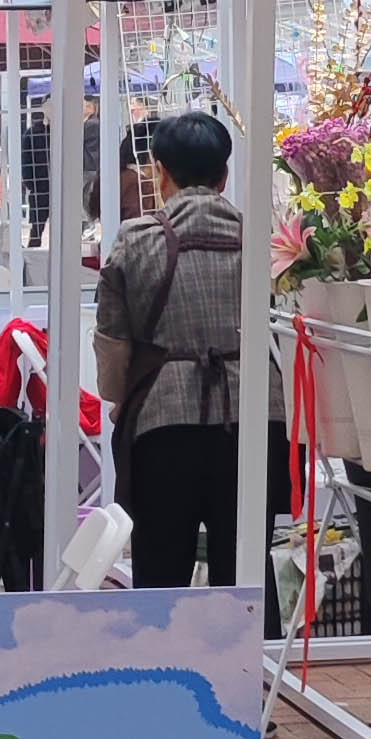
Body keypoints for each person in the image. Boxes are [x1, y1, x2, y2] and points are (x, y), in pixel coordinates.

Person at [92, 106, 251, 588]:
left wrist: (120, 395)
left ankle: (164, 643)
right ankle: (252, 642)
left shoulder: (136, 240)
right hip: (252, 421)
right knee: (245, 574)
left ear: (160, 173)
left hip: (163, 426)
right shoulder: (259, 238)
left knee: (162, 574)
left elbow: (112, 344)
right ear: (224, 176)